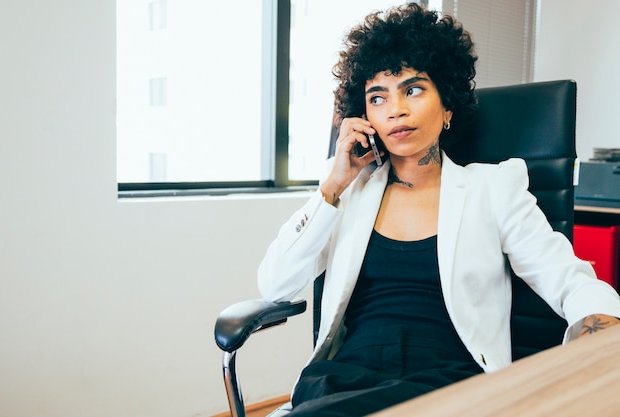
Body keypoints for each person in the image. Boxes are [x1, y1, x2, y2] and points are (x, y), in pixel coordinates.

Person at [257, 3, 620, 416]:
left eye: (412, 89)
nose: (396, 109)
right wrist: (334, 185)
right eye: (378, 97)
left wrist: (602, 332)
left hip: (450, 384)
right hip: (343, 379)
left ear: (447, 107)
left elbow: (568, 279)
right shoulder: (346, 190)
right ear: (366, 117)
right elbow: (275, 286)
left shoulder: (493, 187)